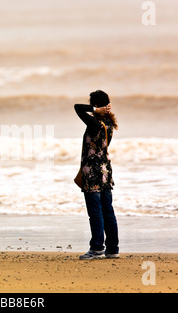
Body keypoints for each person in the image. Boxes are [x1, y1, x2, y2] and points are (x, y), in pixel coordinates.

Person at [74, 90, 119, 260]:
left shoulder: (95, 123)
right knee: (108, 211)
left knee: (95, 212)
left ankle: (97, 248)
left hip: (92, 173)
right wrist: (99, 111)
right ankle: (113, 249)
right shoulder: (108, 123)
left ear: (97, 105)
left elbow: (77, 108)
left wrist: (94, 109)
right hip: (106, 172)